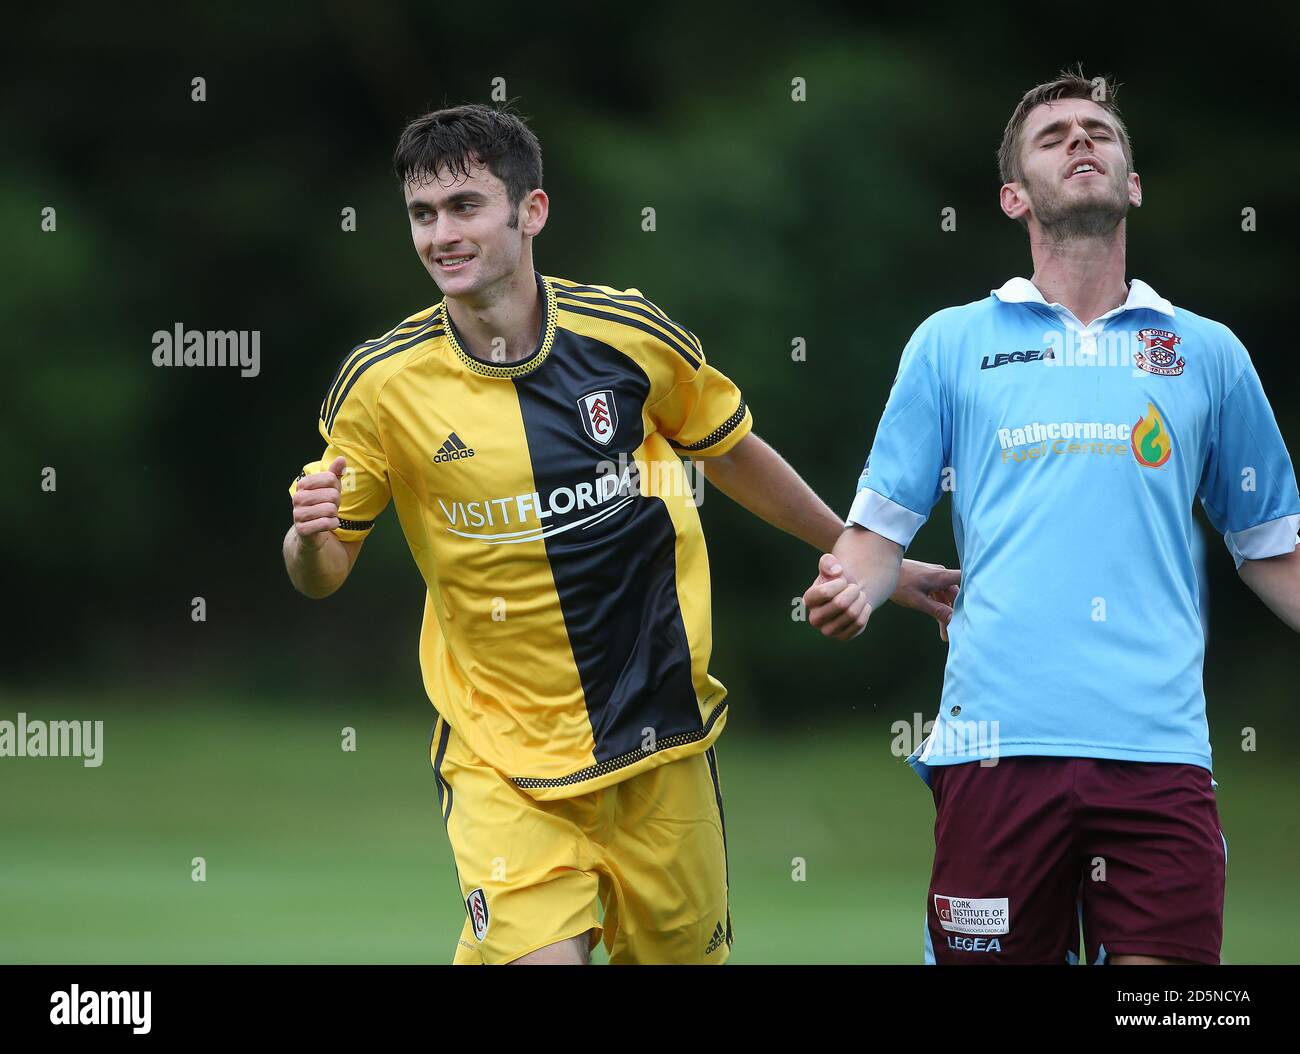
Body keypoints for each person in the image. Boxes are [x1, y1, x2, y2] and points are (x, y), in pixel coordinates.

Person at [283, 104, 959, 964]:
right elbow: (323, 569)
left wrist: (875, 562)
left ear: (531, 212)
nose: (440, 234)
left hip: (661, 743)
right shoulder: (381, 388)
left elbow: (732, 455)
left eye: (464, 207)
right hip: (504, 766)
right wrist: (309, 541)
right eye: (423, 214)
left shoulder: (628, 336)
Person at [804, 70, 1300, 965]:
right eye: (1055, 135)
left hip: (1160, 758)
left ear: (1132, 184)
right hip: (995, 752)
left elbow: (1271, 548)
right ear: (1012, 196)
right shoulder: (951, 342)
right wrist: (852, 590)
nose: (1082, 142)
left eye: (1100, 132)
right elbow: (879, 536)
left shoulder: (1207, 353)